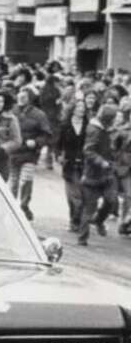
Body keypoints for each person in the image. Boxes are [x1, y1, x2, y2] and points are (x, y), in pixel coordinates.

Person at [9, 86, 51, 220]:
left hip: (29, 154)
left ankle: (24, 205)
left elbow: (46, 134)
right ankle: (11, 208)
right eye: (19, 95)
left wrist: (37, 142)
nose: (21, 98)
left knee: (26, 180)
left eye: (25, 96)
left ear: (30, 99)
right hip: (13, 152)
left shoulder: (39, 115)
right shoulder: (11, 111)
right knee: (13, 182)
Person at [80, 104, 119, 245]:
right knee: (89, 206)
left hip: (108, 172)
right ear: (108, 119)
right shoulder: (94, 130)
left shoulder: (110, 130)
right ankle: (82, 237)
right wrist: (101, 161)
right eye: (113, 118)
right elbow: (88, 151)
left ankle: (99, 220)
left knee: (111, 200)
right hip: (93, 173)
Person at [59, 102, 88, 234]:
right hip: (69, 164)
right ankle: (75, 221)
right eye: (78, 107)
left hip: (85, 163)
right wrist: (59, 155)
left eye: (83, 108)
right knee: (74, 195)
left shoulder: (88, 126)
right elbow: (58, 143)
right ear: (73, 109)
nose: (81, 109)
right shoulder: (65, 125)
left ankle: (76, 220)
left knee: (79, 194)